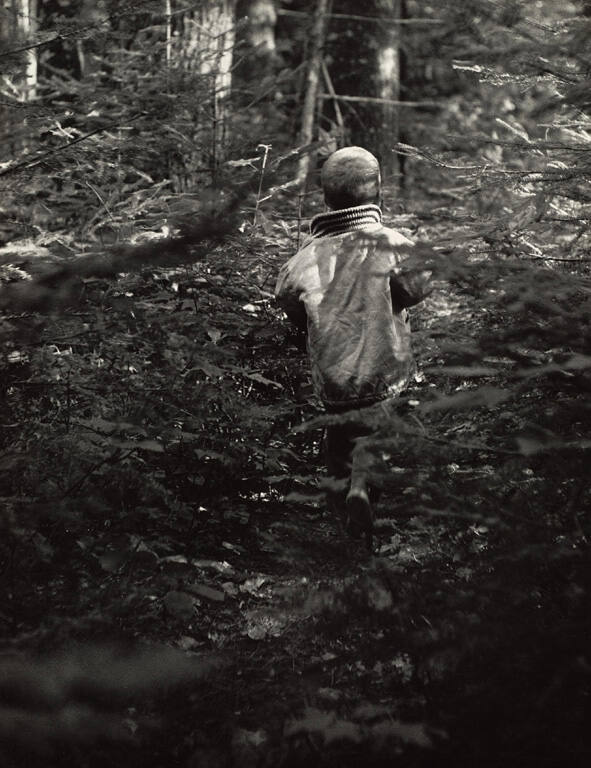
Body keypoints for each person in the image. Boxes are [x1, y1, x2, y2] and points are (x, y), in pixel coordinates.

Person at [275, 146, 433, 548]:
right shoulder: (393, 245)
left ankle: (341, 511)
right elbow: (416, 289)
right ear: (377, 193)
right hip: (383, 367)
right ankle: (362, 486)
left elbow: (290, 302)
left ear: (326, 198)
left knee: (339, 438)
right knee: (376, 436)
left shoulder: (304, 258)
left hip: (333, 375)